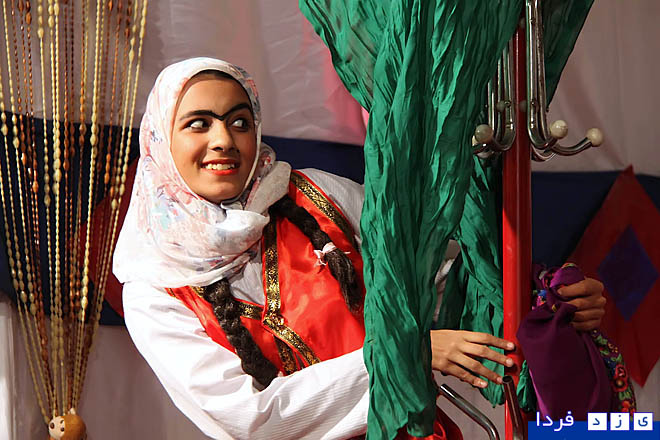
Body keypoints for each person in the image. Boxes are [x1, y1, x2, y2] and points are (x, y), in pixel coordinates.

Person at [113, 57, 606, 440]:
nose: (223, 139)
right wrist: (405, 356)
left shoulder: (314, 195)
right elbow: (252, 419)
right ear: (160, 140)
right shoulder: (153, 283)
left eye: (239, 121)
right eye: (198, 123)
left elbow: (441, 280)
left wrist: (546, 301)